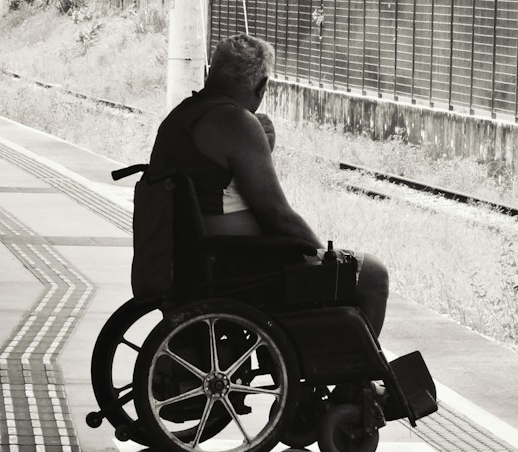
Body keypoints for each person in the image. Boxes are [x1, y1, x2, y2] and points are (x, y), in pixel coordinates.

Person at [144, 33, 389, 337]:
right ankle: (353, 378)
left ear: (212, 73)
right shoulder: (238, 123)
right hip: (236, 267)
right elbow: (278, 215)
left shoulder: (180, 117)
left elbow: (218, 184)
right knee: (373, 274)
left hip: (185, 260)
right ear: (261, 87)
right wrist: (324, 256)